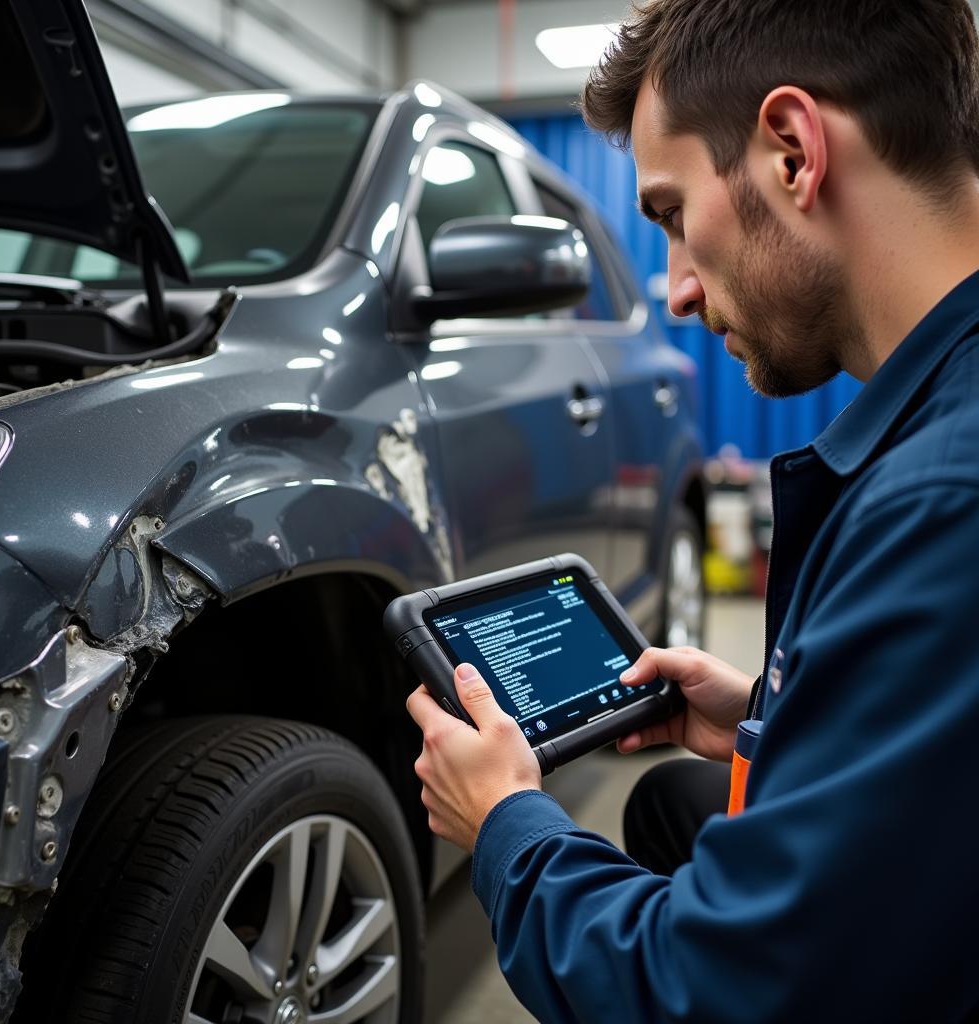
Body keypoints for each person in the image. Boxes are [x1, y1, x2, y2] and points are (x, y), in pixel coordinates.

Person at [406, 0, 979, 1020]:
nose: (673, 289)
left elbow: (710, 992)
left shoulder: (939, 502)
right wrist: (774, 708)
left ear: (793, 152)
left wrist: (502, 821)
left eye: (670, 215)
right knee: (674, 800)